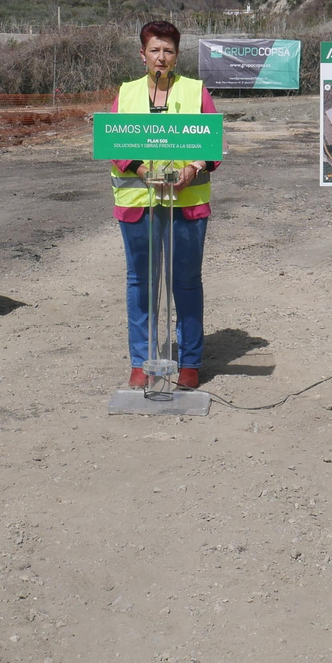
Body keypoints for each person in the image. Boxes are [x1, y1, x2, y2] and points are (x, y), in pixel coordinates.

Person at [110, 20, 220, 390]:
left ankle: (189, 361)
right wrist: (139, 168)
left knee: (186, 283)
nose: (161, 57)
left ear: (177, 55)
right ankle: (141, 361)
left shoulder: (195, 91)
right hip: (138, 203)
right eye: (155, 50)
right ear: (142, 55)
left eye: (168, 50)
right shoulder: (125, 95)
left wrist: (194, 167)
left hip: (185, 204)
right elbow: (113, 142)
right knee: (140, 283)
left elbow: (212, 144)